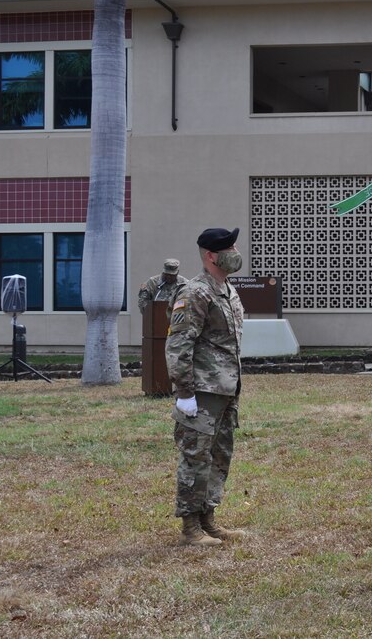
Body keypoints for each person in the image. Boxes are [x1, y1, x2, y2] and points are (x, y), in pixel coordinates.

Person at [166, 227, 247, 548]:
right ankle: (190, 528)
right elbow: (178, 346)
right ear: (211, 255)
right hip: (200, 392)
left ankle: (208, 520)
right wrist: (184, 393)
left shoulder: (226, 290)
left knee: (219, 456)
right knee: (195, 457)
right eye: (228, 247)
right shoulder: (194, 293)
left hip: (226, 389)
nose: (235, 250)